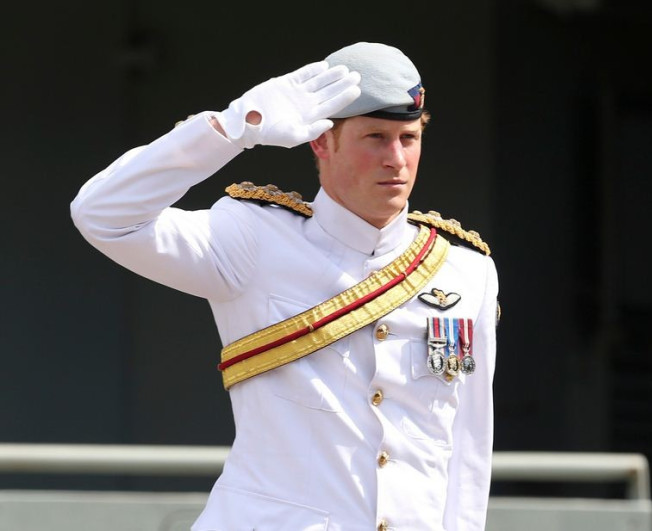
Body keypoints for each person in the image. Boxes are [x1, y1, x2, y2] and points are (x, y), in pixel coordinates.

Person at [71, 41, 499, 531]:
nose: (396, 160)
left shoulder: (464, 269)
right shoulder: (252, 238)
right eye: (375, 137)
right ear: (321, 143)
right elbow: (102, 215)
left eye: (408, 137)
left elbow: (466, 442)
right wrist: (234, 128)